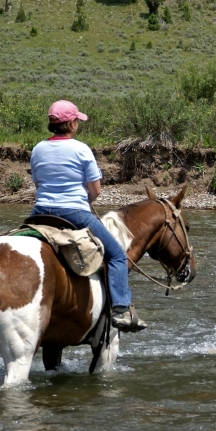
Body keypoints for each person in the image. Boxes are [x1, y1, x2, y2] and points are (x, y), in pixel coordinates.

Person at [29, 100, 146, 332]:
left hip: (39, 213)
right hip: (75, 214)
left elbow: (37, 182)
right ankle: (121, 309)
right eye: (77, 121)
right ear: (71, 123)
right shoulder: (81, 149)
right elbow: (95, 190)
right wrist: (86, 201)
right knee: (118, 257)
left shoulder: (37, 149)